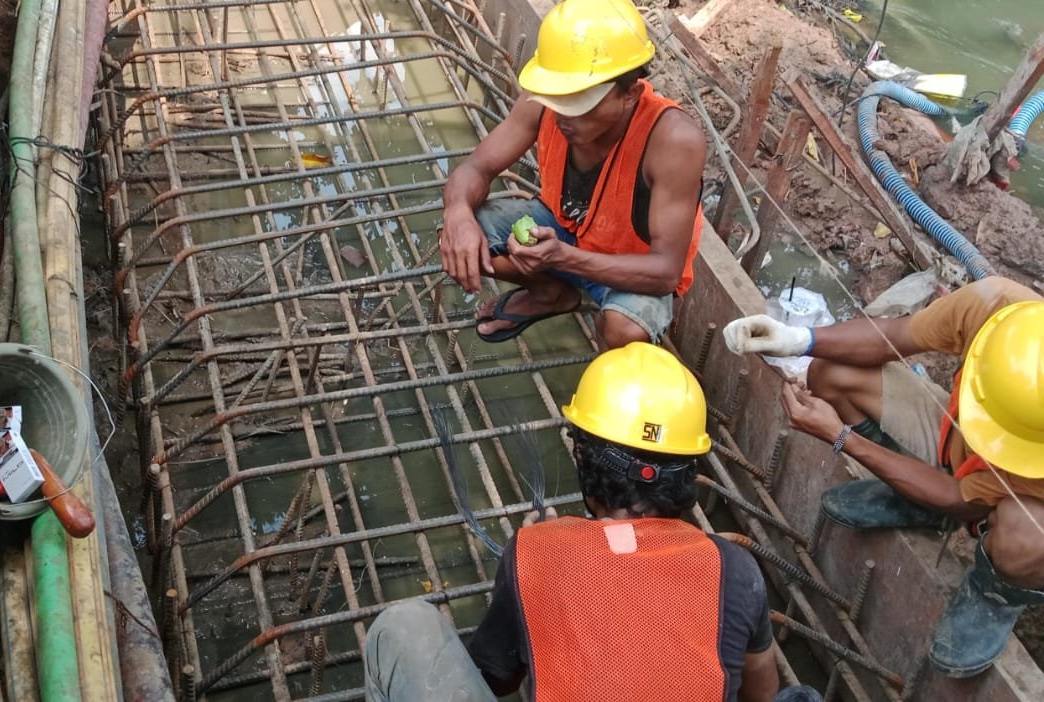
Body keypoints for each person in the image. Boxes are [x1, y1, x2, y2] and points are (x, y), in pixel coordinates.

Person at [363, 344, 821, 702]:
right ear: (690, 469)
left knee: (404, 626)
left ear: (581, 456)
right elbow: (759, 689)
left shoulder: (532, 552)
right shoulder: (736, 569)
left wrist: (544, 547)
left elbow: (498, 677)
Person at [722, 276, 1044, 678]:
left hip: (1019, 500)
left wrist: (841, 438)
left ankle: (995, 592)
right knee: (832, 373)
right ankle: (916, 500)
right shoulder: (997, 308)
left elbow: (962, 497)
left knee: (1026, 536)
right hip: (959, 436)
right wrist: (798, 339)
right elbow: (894, 334)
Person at [439, 0, 706, 350]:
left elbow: (665, 272)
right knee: (458, 238)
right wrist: (457, 213)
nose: (564, 117)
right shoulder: (542, 104)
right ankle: (551, 293)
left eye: (581, 103)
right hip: (560, 230)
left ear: (630, 94)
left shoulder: (672, 140)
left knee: (624, 330)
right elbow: (477, 167)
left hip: (632, 268)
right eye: (558, 99)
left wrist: (561, 257)